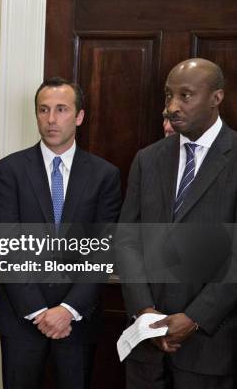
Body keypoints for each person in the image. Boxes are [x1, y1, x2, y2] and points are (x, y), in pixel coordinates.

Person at [0, 77, 122, 389]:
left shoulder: (104, 175)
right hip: (21, 317)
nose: (51, 119)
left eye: (61, 109)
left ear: (79, 116)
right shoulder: (9, 170)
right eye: (43, 110)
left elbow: (102, 250)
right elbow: (7, 248)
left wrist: (68, 310)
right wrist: (39, 311)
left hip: (78, 318)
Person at [118, 58, 237, 388]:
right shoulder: (148, 159)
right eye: (168, 96)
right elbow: (127, 240)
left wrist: (194, 318)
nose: (172, 107)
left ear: (216, 97)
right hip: (146, 345)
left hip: (208, 348)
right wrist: (144, 312)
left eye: (185, 96)